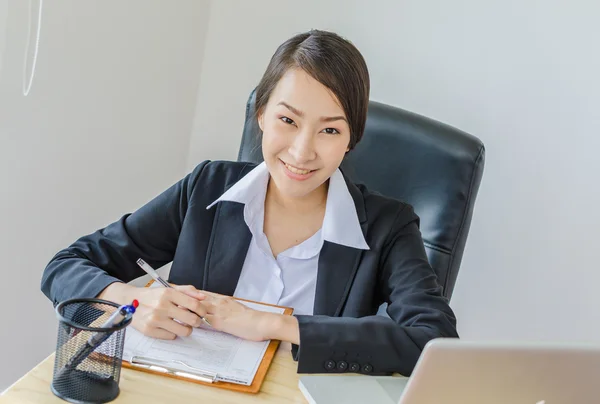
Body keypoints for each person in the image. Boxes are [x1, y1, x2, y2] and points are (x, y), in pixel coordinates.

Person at [41, 29, 458, 376]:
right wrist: (134, 301)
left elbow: (434, 340)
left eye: (329, 131)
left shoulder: (389, 226)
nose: (301, 151)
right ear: (260, 115)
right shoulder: (205, 189)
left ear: (352, 140)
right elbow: (65, 266)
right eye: (288, 120)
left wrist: (273, 323)